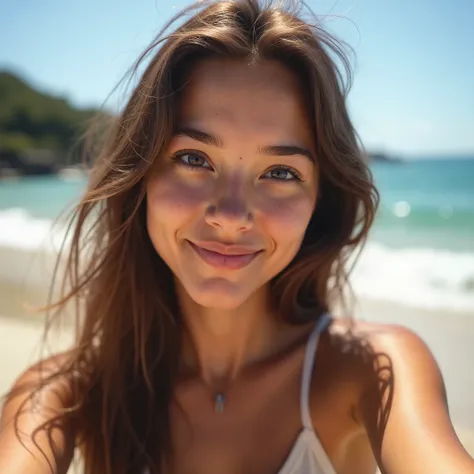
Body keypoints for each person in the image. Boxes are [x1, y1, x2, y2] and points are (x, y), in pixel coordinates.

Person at [1, 1, 473, 473]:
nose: (230, 216)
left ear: (319, 203)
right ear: (141, 175)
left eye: (281, 171)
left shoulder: (370, 370)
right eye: (193, 159)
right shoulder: (65, 395)